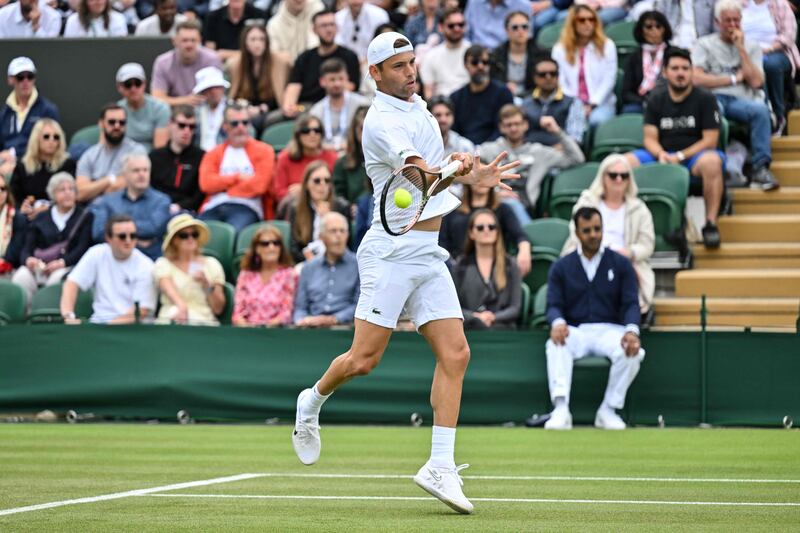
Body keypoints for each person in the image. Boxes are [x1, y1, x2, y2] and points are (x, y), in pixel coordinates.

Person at [290, 32, 519, 516]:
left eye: (412, 62)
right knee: (363, 360)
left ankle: (439, 465)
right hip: (391, 251)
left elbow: (437, 173)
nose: (410, 72)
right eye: (398, 67)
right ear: (374, 74)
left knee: (456, 353)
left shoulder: (421, 109)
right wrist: (454, 170)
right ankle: (311, 401)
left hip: (428, 250)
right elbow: (417, 175)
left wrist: (471, 174)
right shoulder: (379, 123)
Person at [543, 206, 645, 431]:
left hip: (611, 331)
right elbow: (553, 304)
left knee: (633, 350)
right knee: (555, 344)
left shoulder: (621, 264)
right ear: (577, 233)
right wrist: (557, 323)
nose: (593, 234)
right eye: (587, 230)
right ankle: (561, 409)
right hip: (575, 330)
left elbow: (631, 303)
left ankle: (608, 409)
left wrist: (631, 331)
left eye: (597, 229)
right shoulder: (562, 266)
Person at [625, 47, 724, 248]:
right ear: (665, 72)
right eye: (675, 68)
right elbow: (649, 138)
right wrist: (661, 154)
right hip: (662, 154)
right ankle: (628, 229)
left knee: (712, 162)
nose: (680, 73)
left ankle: (710, 224)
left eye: (685, 68)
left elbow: (710, 140)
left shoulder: (705, 98)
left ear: (691, 71)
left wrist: (679, 156)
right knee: (621, 164)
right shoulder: (656, 98)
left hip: (694, 156)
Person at [692, 0, 779, 190]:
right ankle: (719, 167)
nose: (732, 25)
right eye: (727, 21)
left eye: (736, 21)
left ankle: (760, 168)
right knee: (713, 111)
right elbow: (696, 79)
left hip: (742, 99)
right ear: (717, 22)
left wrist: (741, 49)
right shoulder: (704, 43)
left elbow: (756, 82)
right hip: (713, 98)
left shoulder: (751, 46)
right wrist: (732, 79)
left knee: (761, 111)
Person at [563, 155, 655, 313]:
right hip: (587, 253)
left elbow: (647, 245)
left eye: (624, 175)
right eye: (613, 175)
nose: (619, 179)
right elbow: (574, 232)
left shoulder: (639, 209)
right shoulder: (587, 201)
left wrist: (629, 252)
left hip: (623, 259)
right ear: (603, 177)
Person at [479, 104, 585, 225]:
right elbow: (470, 169)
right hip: (492, 203)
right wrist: (494, 194)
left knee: (512, 205)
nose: (513, 128)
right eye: (508, 125)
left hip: (525, 205)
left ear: (526, 125)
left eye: (517, 124)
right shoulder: (489, 149)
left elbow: (577, 158)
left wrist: (558, 132)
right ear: (501, 127)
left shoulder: (539, 152)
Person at [60, 214, 157, 325]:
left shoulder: (146, 265)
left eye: (133, 235)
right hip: (99, 325)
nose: (128, 240)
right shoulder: (96, 253)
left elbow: (141, 311)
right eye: (122, 236)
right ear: (108, 238)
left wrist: (106, 328)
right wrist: (68, 315)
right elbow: (71, 283)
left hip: (134, 330)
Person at [12, 173, 93, 303]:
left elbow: (83, 248)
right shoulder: (41, 217)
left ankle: (50, 317)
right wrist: (28, 260)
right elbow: (27, 247)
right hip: (40, 266)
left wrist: (63, 263)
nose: (68, 193)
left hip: (67, 266)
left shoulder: (85, 216)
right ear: (53, 194)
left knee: (56, 280)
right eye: (62, 189)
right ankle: (25, 318)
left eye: (71, 189)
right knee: (21, 276)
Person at [198, 103, 276, 229]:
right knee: (198, 233)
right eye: (235, 124)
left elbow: (259, 186)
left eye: (245, 123)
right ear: (225, 126)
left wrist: (226, 189)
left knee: (233, 231)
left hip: (246, 207)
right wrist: (237, 178)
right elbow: (206, 184)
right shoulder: (213, 154)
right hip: (213, 207)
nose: (240, 128)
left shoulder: (265, 151)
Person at [281, 8, 361, 119]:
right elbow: (294, 85)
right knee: (271, 120)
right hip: (305, 106)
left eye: (332, 25)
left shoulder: (349, 56)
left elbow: (351, 87)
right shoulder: (304, 58)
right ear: (314, 30)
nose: (329, 29)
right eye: (323, 25)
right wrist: (289, 106)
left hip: (336, 106)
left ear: (337, 28)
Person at [439, 182, 532, 276]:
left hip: (495, 270)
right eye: (478, 177)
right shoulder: (453, 211)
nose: (482, 181)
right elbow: (442, 243)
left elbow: (520, 235)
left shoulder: (503, 209)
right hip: (460, 270)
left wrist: (524, 250)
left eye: (491, 227)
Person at [90, 153, 171, 260]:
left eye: (145, 170)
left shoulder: (162, 201)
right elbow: (98, 232)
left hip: (151, 261)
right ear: (125, 175)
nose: (142, 174)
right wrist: (139, 241)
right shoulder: (108, 201)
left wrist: (117, 233)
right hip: (114, 261)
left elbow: (154, 228)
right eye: (136, 170)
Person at [451, 208, 521, 330]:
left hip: (502, 330)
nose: (486, 230)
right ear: (471, 233)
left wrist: (493, 317)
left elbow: (515, 308)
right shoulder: (461, 265)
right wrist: (474, 316)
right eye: (480, 227)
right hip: (469, 329)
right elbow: (452, 306)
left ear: (498, 232)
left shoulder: (510, 264)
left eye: (492, 227)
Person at [552, 5, 618, 127]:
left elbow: (609, 79)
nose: (587, 23)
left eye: (591, 19)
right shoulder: (559, 49)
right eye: (582, 20)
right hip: (570, 102)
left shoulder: (607, 45)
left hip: (601, 102)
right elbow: (560, 81)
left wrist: (592, 104)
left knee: (596, 120)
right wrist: (576, 105)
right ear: (573, 23)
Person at [741, 0, 800, 136]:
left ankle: (779, 115)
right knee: (756, 65)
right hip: (744, 54)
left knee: (769, 65)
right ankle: (767, 116)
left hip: (776, 51)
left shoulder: (780, 4)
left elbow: (789, 35)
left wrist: (769, 48)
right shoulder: (738, 4)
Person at [154, 214, 226, 325]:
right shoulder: (163, 263)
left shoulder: (212, 264)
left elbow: (218, 309)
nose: (190, 238)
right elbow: (169, 289)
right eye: (184, 235)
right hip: (171, 319)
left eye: (194, 234)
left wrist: (206, 284)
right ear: (174, 240)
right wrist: (182, 307)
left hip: (203, 322)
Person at [292, 210, 358, 326]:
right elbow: (300, 308)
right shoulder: (308, 268)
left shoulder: (359, 265)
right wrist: (302, 320)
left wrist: (334, 319)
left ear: (347, 235)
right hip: (311, 329)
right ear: (321, 237)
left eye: (342, 231)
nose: (338, 235)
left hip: (346, 329)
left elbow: (359, 305)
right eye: (333, 231)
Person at [75, 104, 147, 203]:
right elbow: (80, 193)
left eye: (122, 122)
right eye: (112, 122)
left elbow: (122, 186)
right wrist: (109, 180)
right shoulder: (89, 155)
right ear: (101, 123)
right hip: (92, 210)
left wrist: (93, 188)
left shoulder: (136, 151)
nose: (117, 126)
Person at [233, 223, 298, 326]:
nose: (271, 247)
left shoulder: (289, 274)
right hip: (246, 331)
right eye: (265, 243)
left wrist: (266, 328)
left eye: (276, 243)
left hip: (276, 333)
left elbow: (287, 313)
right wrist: (245, 326)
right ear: (257, 249)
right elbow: (238, 312)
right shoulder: (246, 274)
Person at [11, 119, 76, 218]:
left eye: (56, 137)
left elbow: (72, 196)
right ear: (36, 139)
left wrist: (48, 209)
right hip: (28, 217)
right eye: (46, 136)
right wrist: (23, 208)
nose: (51, 140)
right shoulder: (22, 166)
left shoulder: (67, 164)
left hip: (59, 214)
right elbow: (13, 197)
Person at [450, 45, 515, 145]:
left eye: (485, 62)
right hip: (464, 149)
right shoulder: (456, 97)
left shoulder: (503, 93)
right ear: (465, 65)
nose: (480, 66)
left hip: (495, 147)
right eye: (475, 62)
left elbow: (504, 127)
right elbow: (454, 130)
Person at [151, 20, 224, 108]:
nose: (189, 45)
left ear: (200, 40)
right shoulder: (163, 62)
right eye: (184, 40)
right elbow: (157, 98)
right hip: (175, 112)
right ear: (174, 41)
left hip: (205, 108)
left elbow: (218, 96)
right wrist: (185, 100)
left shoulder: (212, 59)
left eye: (193, 40)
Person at [287, 160, 350, 262]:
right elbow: (294, 248)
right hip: (306, 263)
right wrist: (311, 262)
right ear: (307, 184)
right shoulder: (296, 209)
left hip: (336, 263)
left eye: (327, 180)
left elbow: (347, 245)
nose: (322, 185)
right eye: (317, 181)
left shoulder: (341, 207)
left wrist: (328, 218)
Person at [149, 105, 206, 214]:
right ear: (170, 124)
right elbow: (149, 189)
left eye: (192, 127)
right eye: (181, 125)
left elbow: (200, 194)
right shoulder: (155, 156)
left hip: (188, 212)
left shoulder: (202, 157)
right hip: (156, 210)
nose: (186, 131)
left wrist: (179, 206)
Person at [273, 114, 338, 210]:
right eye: (306, 131)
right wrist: (292, 194)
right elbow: (278, 192)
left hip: (326, 207)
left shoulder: (332, 157)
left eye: (317, 130)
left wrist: (305, 190)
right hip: (295, 208)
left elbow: (337, 189)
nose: (312, 134)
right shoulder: (285, 158)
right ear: (298, 135)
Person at [520, 56, 586, 146]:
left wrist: (561, 148)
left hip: (560, 153)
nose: (548, 77)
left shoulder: (573, 103)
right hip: (528, 153)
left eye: (553, 73)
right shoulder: (524, 103)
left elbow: (575, 138)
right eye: (542, 74)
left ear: (558, 76)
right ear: (535, 78)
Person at [227, 24, 281, 135]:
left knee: (257, 122)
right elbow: (234, 95)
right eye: (253, 39)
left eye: (262, 39)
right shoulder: (236, 65)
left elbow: (278, 95)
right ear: (245, 42)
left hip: (269, 109)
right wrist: (246, 109)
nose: (257, 44)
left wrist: (261, 109)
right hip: (244, 109)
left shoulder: (277, 63)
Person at [1, 57, 60, 157]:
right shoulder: (4, 113)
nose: (25, 81)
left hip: (37, 164)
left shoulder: (48, 110)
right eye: (20, 77)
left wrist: (12, 153)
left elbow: (52, 144)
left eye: (30, 76)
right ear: (10, 80)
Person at [309, 58, 371, 151]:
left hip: (356, 153)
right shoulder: (316, 111)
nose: (337, 84)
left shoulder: (363, 104)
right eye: (332, 80)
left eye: (341, 79)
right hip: (326, 155)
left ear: (347, 78)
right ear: (322, 82)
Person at [621, 11, 674, 114]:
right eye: (649, 27)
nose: (654, 31)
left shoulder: (674, 54)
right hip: (640, 102)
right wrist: (645, 101)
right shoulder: (633, 58)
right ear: (641, 30)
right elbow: (626, 93)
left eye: (658, 26)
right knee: (629, 111)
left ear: (665, 29)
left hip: (668, 100)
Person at [419, 7, 471, 101]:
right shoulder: (431, 56)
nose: (457, 28)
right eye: (451, 25)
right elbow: (429, 92)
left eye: (461, 24)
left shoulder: (473, 52)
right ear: (440, 27)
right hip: (442, 107)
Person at [116, 63, 170, 152]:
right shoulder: (116, 111)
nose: (133, 89)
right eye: (128, 84)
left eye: (137, 83)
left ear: (144, 83)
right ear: (119, 87)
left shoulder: (160, 109)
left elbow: (159, 150)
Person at [489, 11, 542, 99]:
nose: (520, 31)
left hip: (533, 99)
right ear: (506, 30)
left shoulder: (541, 54)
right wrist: (504, 87)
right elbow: (492, 82)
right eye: (515, 27)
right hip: (503, 98)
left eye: (524, 27)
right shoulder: (496, 55)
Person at [332, 105, 369, 205]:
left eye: (370, 128)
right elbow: (338, 197)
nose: (367, 133)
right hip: (353, 215)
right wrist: (348, 208)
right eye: (362, 128)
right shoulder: (342, 163)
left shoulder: (387, 160)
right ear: (355, 130)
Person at [464, 0, 531, 50]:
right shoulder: (474, 2)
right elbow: (465, 34)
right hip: (475, 56)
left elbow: (527, 37)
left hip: (506, 56)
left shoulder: (523, 5)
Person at [193, 67, 230, 152]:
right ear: (203, 92)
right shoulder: (196, 112)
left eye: (217, 87)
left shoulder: (233, 110)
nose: (213, 92)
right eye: (209, 89)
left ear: (222, 88)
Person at [63, 0, 128, 37]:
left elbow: (121, 45)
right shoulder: (73, 20)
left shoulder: (118, 18)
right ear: (85, 3)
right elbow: (69, 47)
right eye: (92, 0)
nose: (98, 2)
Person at [0, 174, 14, 273]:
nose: (0, 192)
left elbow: (15, 252)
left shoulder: (16, 217)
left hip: (8, 267)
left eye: (3, 188)